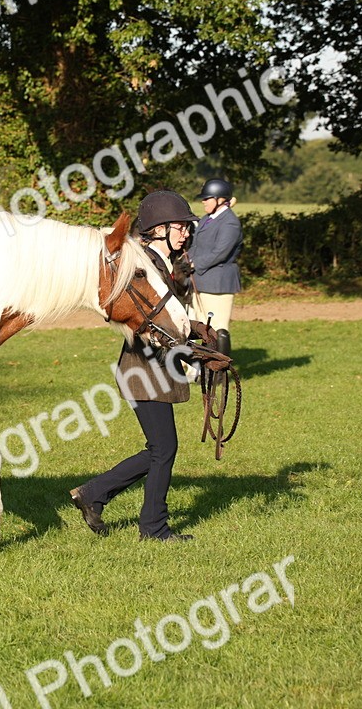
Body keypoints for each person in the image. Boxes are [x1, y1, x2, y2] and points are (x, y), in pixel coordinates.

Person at [70, 190, 206, 543]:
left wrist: (197, 333)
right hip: (143, 369)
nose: (185, 232)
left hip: (154, 368)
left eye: (186, 227)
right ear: (158, 228)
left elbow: (167, 319)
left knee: (159, 449)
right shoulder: (143, 263)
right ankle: (153, 527)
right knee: (164, 449)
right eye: (179, 226)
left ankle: (94, 494)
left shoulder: (164, 263)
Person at [187, 177, 243, 351]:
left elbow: (220, 252)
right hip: (201, 280)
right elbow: (196, 246)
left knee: (218, 328)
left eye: (207, 198)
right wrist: (185, 260)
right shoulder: (207, 219)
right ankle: (205, 368)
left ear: (220, 200)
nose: (203, 201)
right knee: (203, 328)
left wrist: (194, 263)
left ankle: (221, 371)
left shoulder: (230, 222)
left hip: (218, 281)